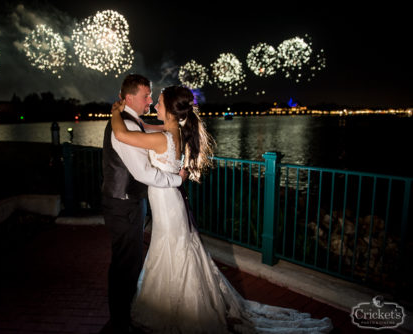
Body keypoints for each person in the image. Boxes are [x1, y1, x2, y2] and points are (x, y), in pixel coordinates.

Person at [110, 85, 334, 333]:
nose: (154, 106)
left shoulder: (161, 137)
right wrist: (137, 120)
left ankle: (181, 310)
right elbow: (147, 128)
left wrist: (115, 111)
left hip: (166, 202)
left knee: (171, 249)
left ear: (171, 110)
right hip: (169, 200)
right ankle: (175, 304)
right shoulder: (174, 131)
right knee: (174, 249)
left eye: (159, 103)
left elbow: (121, 135)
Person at [101, 74, 187, 334]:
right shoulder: (128, 128)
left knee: (130, 260)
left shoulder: (131, 124)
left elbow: (146, 132)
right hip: (124, 203)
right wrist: (176, 180)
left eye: (154, 97)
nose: (150, 100)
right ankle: (120, 320)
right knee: (126, 263)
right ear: (129, 98)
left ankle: (124, 314)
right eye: (146, 96)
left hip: (132, 201)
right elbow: (142, 173)